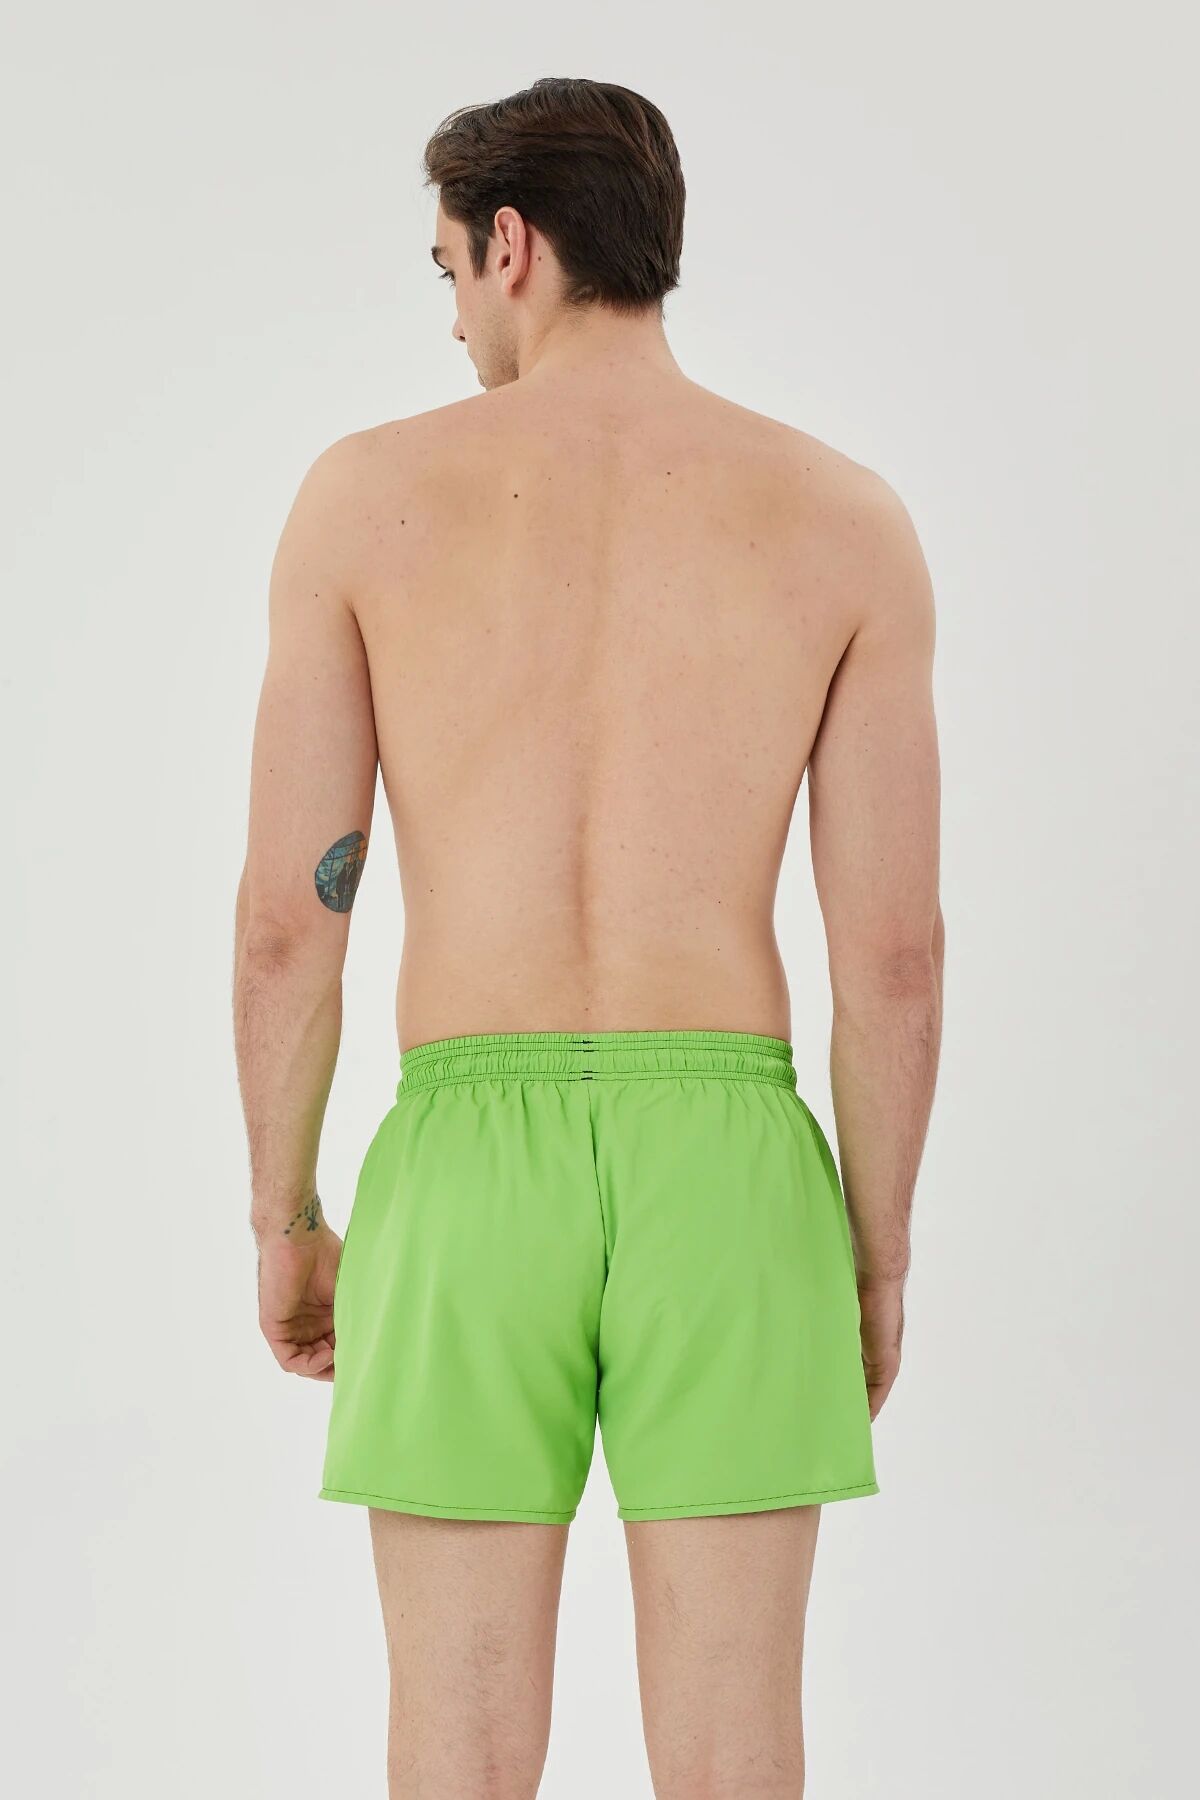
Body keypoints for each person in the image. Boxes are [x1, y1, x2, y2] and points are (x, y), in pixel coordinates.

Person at [233, 74, 943, 1800]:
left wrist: (287, 1215)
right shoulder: (843, 518)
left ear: (511, 244)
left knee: (459, 1753)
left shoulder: (365, 500)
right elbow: (895, 960)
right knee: (735, 1753)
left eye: (448, 272)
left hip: (466, 1167)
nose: (454, 318)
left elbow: (284, 930)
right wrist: (872, 1254)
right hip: (732, 1169)